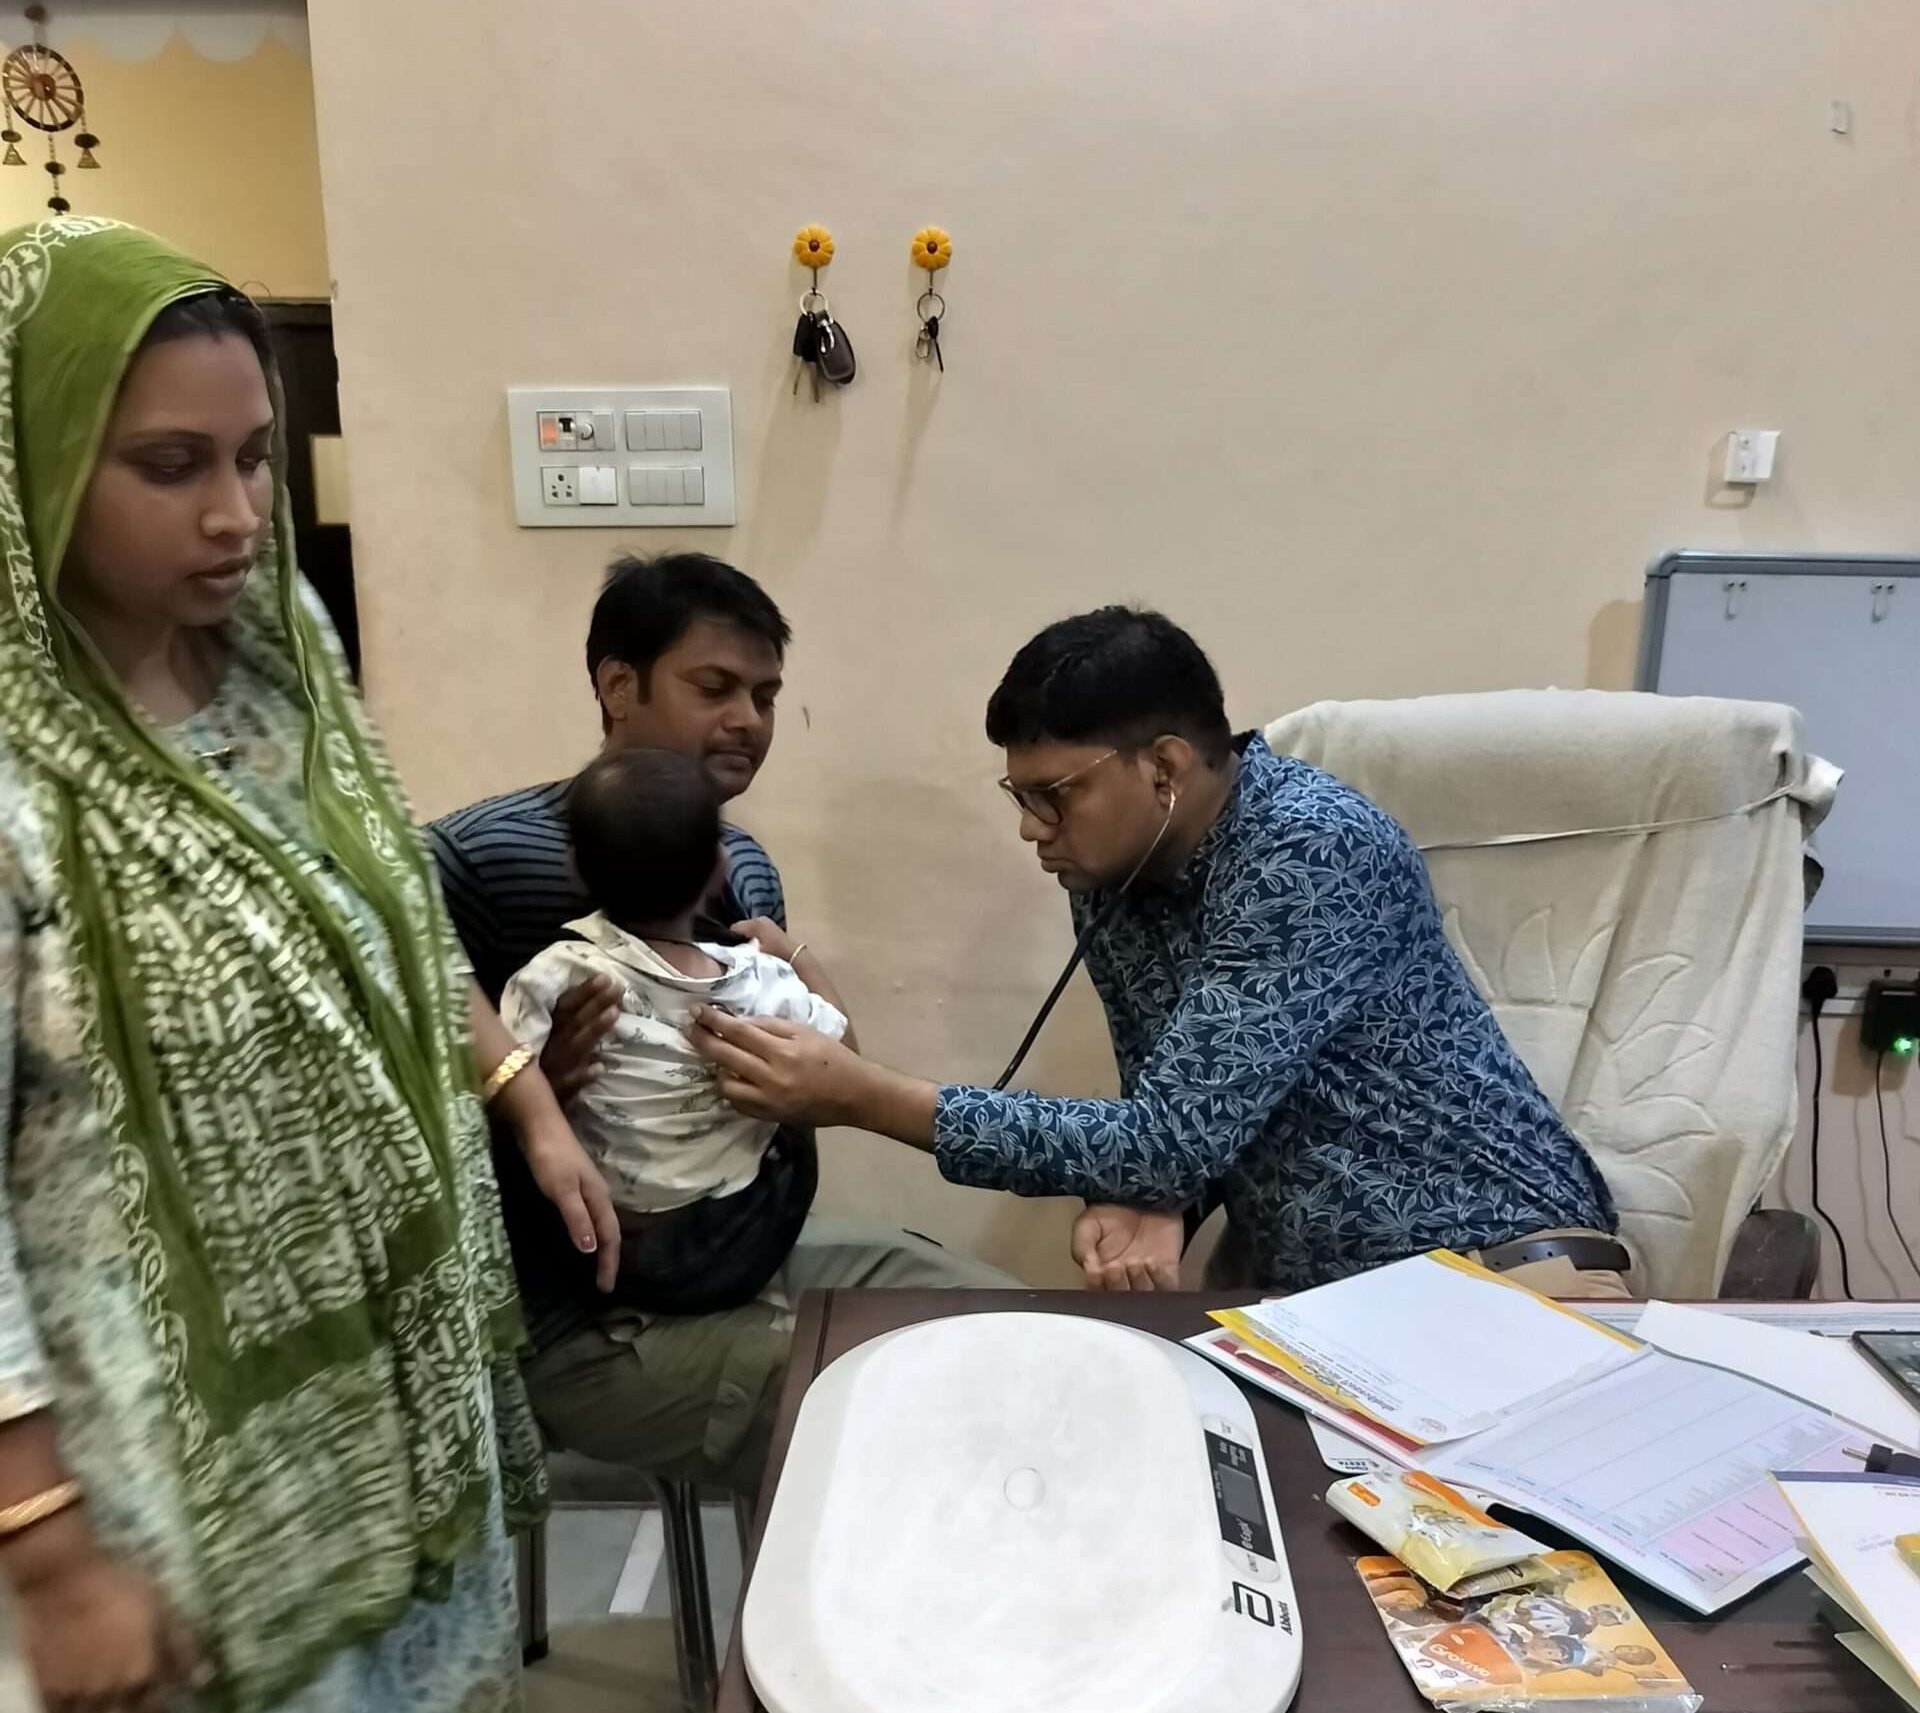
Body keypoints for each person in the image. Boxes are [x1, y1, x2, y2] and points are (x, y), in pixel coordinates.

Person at [0, 219, 619, 1713]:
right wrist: (48, 1550)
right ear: (36, 465)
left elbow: (396, 917)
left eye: (257, 455)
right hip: (158, 1448)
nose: (237, 514)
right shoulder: (16, 778)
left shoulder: (277, 666)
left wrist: (522, 1096)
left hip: (352, 1377)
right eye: (168, 464)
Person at [695, 606, 1629, 1305]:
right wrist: (1158, 1202)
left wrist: (863, 1097)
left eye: (1055, 794)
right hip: (1331, 1312)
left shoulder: (1310, 849)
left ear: (1166, 769)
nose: (1031, 827)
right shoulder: (1112, 876)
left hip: (1500, 1270)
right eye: (1019, 795)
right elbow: (1184, 1115)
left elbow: (1162, 1138)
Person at [430, 552, 1015, 1504]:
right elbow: (387, 1081)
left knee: (1015, 1327)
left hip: (747, 1256)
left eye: (766, 695)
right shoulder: (482, 859)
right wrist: (527, 1093)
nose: (749, 719)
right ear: (619, 686)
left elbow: (820, 1070)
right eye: (715, 688)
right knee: (925, 1411)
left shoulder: (742, 865)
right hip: (577, 1321)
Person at [502, 748, 853, 1314]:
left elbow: (506, 1073)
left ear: (574, 870)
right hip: (740, 1238)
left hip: (617, 1244)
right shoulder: (760, 978)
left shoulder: (559, 974)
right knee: (791, 1130)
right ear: (719, 867)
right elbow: (846, 1055)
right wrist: (796, 955)